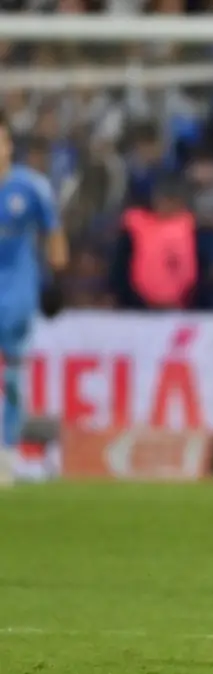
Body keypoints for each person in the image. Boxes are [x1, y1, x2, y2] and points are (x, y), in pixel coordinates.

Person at [0, 111, 68, 487]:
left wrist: (57, 280)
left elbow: (53, 231)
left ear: (10, 146)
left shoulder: (31, 188)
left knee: (11, 378)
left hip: (16, 296)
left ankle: (6, 456)